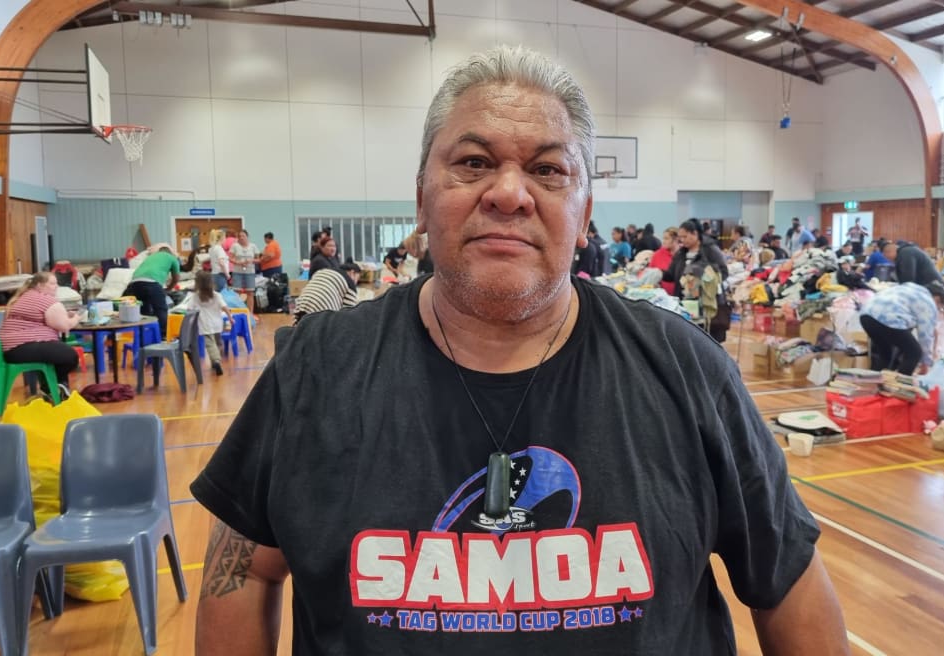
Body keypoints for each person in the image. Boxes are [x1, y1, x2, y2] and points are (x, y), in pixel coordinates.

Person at [191, 45, 848, 656]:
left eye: (547, 169)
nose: (509, 192)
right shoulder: (314, 370)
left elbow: (787, 578)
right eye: (474, 162)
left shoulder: (689, 371)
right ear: (422, 197)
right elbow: (241, 574)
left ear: (585, 212)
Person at [0, 272, 80, 397]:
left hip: (11, 349)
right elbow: (64, 326)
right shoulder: (46, 300)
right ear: (40, 285)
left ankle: (55, 387)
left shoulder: (24, 296)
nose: (56, 286)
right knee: (70, 356)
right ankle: (52, 388)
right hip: (21, 347)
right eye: (52, 283)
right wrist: (76, 318)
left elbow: (42, 318)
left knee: (58, 354)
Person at [662, 218, 730, 342]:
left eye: (685, 236)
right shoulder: (681, 254)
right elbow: (671, 275)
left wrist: (701, 273)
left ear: (695, 234)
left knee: (707, 341)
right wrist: (657, 273)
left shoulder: (710, 250)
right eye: (680, 237)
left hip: (706, 306)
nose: (682, 240)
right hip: (686, 306)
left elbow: (723, 273)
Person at [859, 281, 944, 375]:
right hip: (888, 319)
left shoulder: (908, 288)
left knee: (885, 354)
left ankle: (873, 383)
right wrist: (925, 363)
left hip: (866, 315)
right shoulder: (928, 302)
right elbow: (925, 336)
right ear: (937, 299)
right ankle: (900, 385)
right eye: (939, 307)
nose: (937, 310)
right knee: (914, 352)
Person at [123, 246, 180, 335]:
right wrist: (168, 289)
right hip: (152, 283)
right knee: (161, 310)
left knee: (143, 312)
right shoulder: (172, 258)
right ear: (170, 253)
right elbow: (176, 278)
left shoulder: (149, 257)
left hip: (135, 284)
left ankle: (143, 336)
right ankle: (162, 337)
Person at [191, 271, 229, 376]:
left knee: (210, 344)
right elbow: (225, 307)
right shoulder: (217, 295)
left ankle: (216, 361)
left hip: (204, 323)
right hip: (217, 323)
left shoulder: (196, 296)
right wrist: (230, 318)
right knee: (218, 342)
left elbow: (189, 309)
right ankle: (216, 361)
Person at [229, 229, 260, 313]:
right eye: (239, 236)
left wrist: (251, 261)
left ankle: (250, 313)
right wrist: (238, 262)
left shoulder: (253, 246)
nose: (241, 238)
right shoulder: (234, 246)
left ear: (247, 237)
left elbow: (258, 259)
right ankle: (238, 311)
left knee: (250, 293)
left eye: (243, 236)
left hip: (249, 272)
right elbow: (230, 258)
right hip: (237, 272)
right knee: (237, 292)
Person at [648, 227, 679, 295]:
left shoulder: (682, 255)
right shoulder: (657, 255)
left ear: (676, 239)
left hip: (680, 295)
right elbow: (650, 274)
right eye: (663, 238)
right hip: (662, 297)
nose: (663, 241)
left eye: (666, 238)